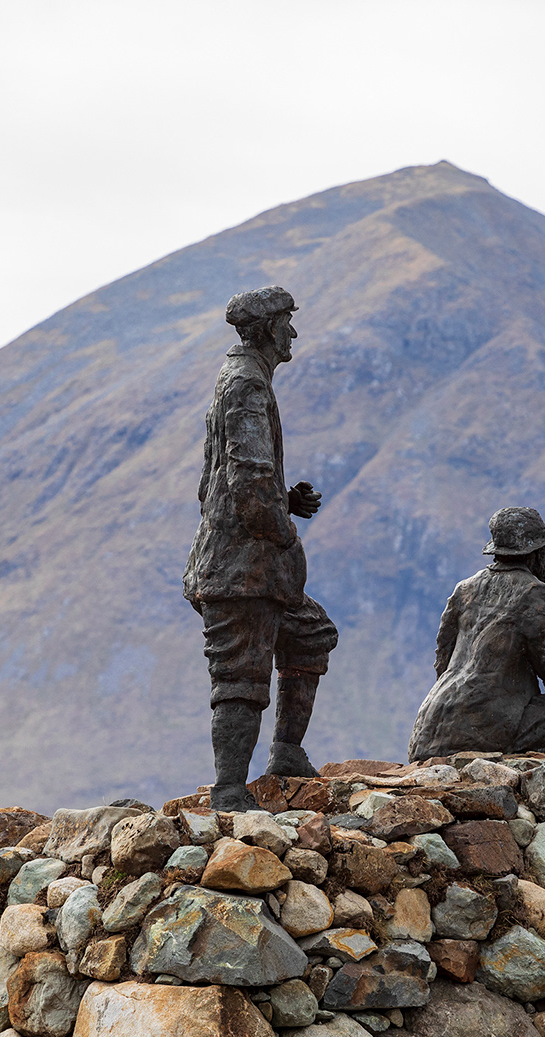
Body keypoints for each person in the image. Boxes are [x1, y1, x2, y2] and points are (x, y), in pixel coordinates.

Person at [182, 286, 338, 811]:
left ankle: (287, 752)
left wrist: (285, 500)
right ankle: (229, 789)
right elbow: (247, 479)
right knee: (241, 674)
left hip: (254, 563)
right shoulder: (246, 385)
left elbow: (230, 477)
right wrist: (283, 530)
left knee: (311, 635)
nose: (293, 332)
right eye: (288, 322)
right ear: (269, 328)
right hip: (242, 567)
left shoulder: (246, 381)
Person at [407, 506, 545, 765]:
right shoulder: (530, 593)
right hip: (479, 732)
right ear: (537, 554)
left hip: (429, 730)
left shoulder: (464, 589)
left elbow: (443, 661)